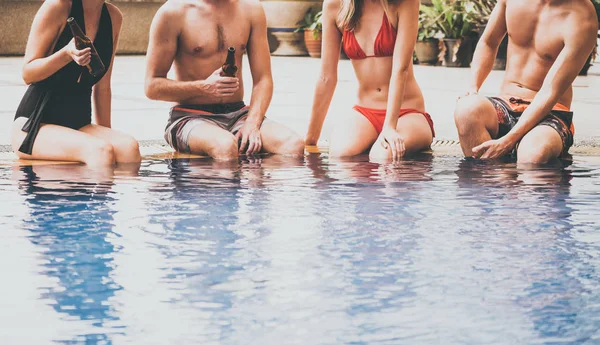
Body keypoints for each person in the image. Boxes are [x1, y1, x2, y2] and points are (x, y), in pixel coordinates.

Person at [145, 0, 305, 159]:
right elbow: (152, 86)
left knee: (293, 145)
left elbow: (263, 79)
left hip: (239, 114)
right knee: (225, 146)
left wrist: (252, 123)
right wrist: (203, 87)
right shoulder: (173, 12)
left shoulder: (251, 9)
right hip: (189, 116)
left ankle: (255, 183)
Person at [454, 0, 598, 164]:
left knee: (533, 154)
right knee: (467, 110)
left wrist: (508, 141)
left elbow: (549, 92)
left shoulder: (582, 16)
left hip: (550, 112)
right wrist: (473, 86)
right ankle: (489, 183)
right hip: (507, 102)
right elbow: (489, 42)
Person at [11, 0, 141, 167]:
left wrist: (107, 136)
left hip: (78, 124)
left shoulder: (113, 17)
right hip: (34, 124)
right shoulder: (57, 6)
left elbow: (102, 87)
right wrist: (65, 54)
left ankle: (107, 193)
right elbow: (28, 73)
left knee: (129, 150)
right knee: (100, 152)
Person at [305, 0, 434, 161]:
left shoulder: (404, 3)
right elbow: (326, 77)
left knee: (383, 156)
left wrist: (389, 127)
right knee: (340, 155)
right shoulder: (335, 5)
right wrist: (310, 140)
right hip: (365, 111)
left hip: (407, 112)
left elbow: (401, 69)